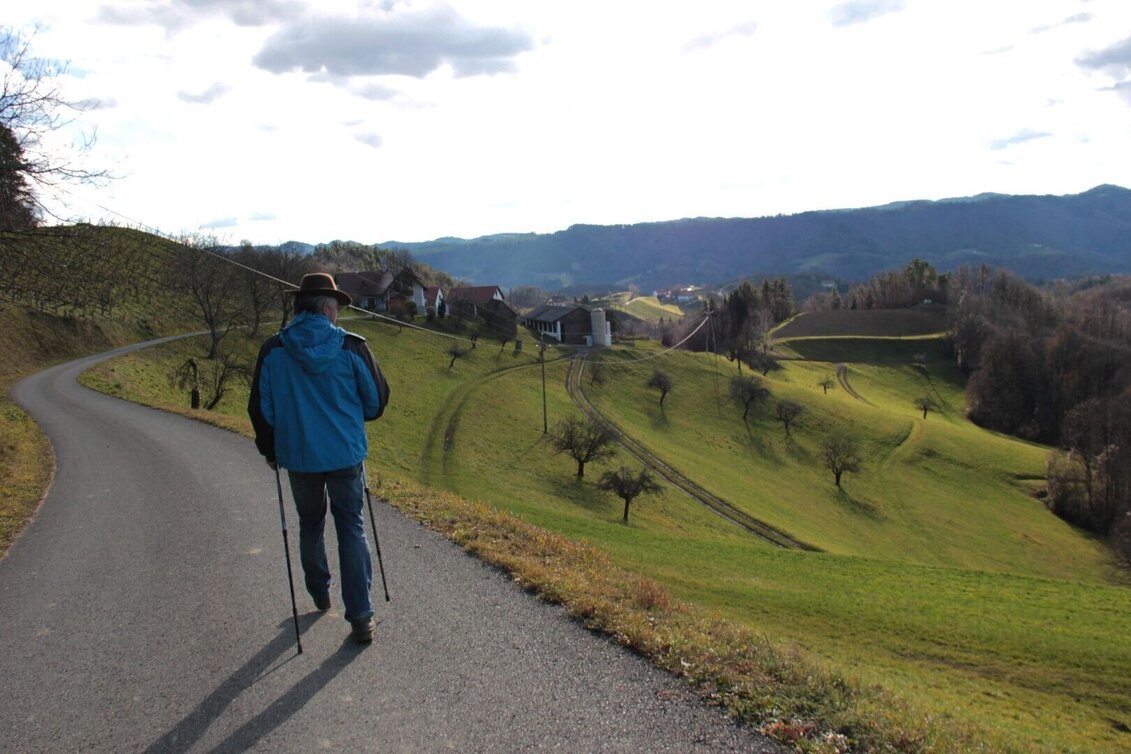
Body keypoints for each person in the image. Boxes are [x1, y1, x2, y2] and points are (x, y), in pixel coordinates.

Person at [249, 272, 388, 644]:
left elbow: (262, 410)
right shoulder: (353, 348)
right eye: (337, 308)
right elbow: (376, 403)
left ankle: (320, 592)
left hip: (299, 457)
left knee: (310, 523)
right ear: (327, 308)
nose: (338, 315)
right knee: (350, 527)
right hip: (345, 455)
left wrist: (269, 450)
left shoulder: (273, 350)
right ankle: (360, 616)